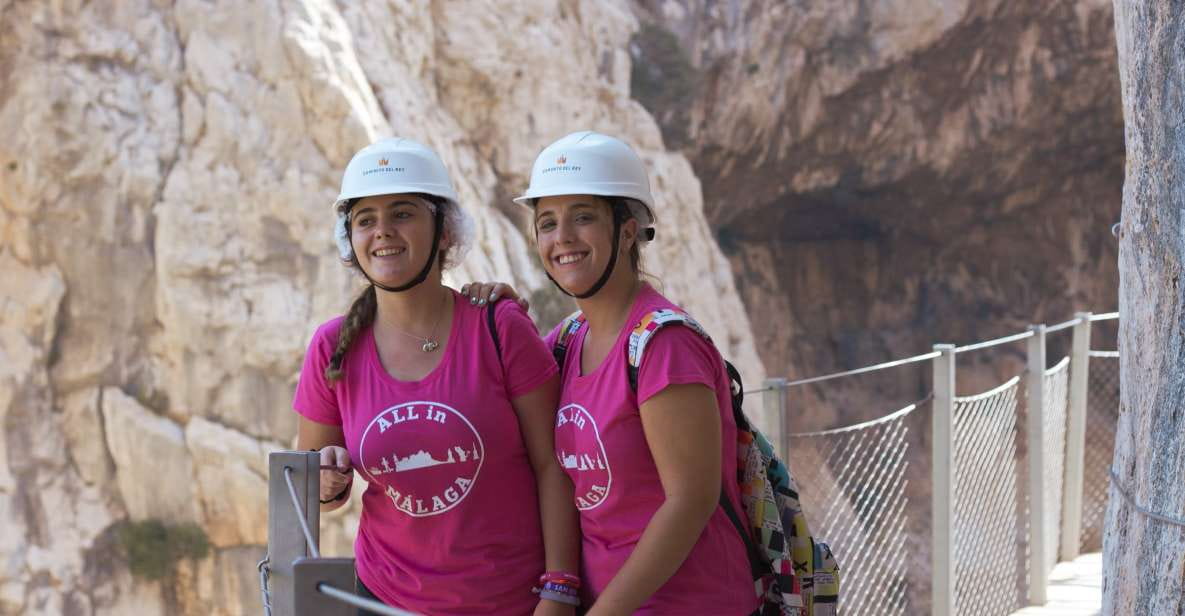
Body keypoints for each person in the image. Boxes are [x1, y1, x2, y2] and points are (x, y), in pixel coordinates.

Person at [473, 131, 761, 615]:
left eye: (582, 217)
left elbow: (690, 500)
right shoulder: (568, 340)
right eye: (547, 222)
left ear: (627, 229)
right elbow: (497, 409)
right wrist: (498, 318)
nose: (561, 237)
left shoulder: (664, 344)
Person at [294, 137, 580, 615]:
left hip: (510, 601)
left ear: (444, 231)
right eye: (366, 220)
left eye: (403, 213)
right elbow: (314, 491)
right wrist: (328, 481)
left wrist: (560, 590)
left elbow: (555, 464)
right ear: (351, 240)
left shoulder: (498, 327)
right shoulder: (332, 346)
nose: (383, 231)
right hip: (385, 602)